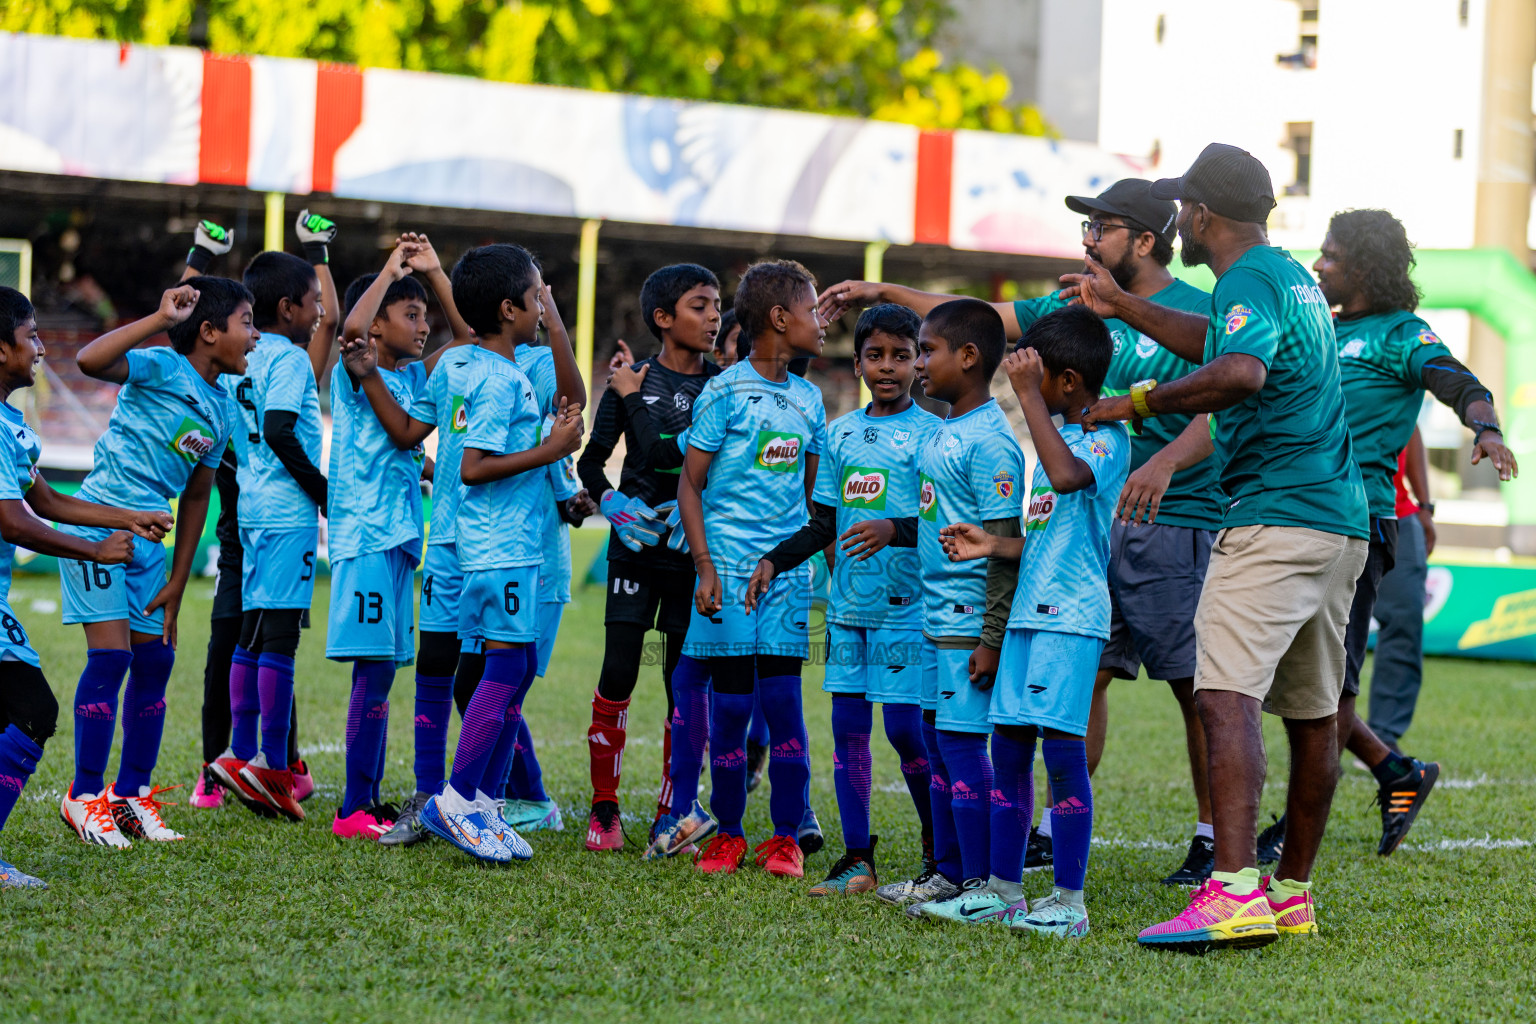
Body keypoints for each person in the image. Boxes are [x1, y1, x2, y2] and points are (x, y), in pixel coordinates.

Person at [818, 180, 1220, 884]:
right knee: (1088, 678)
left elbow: (1225, 397)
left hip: (1173, 512)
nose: (1089, 239)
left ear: (1146, 239)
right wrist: (877, 289)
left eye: (1103, 227)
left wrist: (1162, 459)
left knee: (1192, 682)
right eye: (1087, 226)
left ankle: (1212, 835)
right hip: (1073, 542)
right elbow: (973, 321)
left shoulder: (1197, 312)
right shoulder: (1070, 309)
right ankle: (1030, 842)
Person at [1071, 143, 1370, 951]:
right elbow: (1215, 338)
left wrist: (1133, 402)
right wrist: (1124, 306)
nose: (1179, 223)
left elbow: (1237, 372)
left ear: (1203, 216)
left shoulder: (1246, 278)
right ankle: (1292, 895)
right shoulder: (1287, 276)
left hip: (1273, 516)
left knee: (1222, 695)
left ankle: (1233, 889)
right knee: (1313, 715)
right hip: (1337, 523)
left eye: (1183, 210)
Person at [1253, 208, 1516, 860]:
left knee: (1320, 688)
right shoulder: (1321, 328)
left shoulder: (1403, 333)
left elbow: (1457, 381)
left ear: (1366, 267)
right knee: (1299, 681)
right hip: (1297, 515)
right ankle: (1395, 770)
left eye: (1333, 255)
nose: (1320, 265)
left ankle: (1299, 828)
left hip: (1359, 524)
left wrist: (1485, 426)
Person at [925, 306, 1127, 937]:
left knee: (1061, 757)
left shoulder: (1103, 439)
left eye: (1036, 374)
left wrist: (1028, 400)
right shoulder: (1049, 444)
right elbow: (1043, 538)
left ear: (1064, 381)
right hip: (1025, 618)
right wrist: (993, 545)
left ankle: (1069, 902)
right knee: (1008, 749)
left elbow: (1069, 480)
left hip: (1070, 620)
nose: (1022, 383)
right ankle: (1002, 890)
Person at [747, 303, 941, 895]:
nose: (888, 367)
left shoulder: (933, 437)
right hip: (849, 612)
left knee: (909, 732)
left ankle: (941, 855)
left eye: (901, 356)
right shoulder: (839, 435)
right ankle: (858, 859)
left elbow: (947, 522)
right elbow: (823, 523)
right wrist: (774, 560)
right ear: (856, 363)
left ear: (918, 363)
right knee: (848, 734)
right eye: (875, 355)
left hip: (909, 611)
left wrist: (894, 529)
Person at [59, 279, 254, 845]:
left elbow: (197, 496)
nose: (256, 336)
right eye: (247, 322)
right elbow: (91, 359)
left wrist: (177, 577)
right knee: (112, 660)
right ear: (211, 332)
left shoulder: (221, 409)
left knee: (155, 665)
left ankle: (131, 798)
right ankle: (84, 796)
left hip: (149, 544)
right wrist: (159, 317)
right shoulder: (162, 366)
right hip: (96, 525)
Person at [412, 243, 583, 863]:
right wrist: (552, 446)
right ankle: (455, 799)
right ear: (510, 308)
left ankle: (486, 803)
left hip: (488, 544)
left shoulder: (464, 365)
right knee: (505, 671)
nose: (544, 307)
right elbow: (478, 467)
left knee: (509, 669)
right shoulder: (500, 379)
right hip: (500, 545)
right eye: (538, 296)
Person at [862, 299, 1026, 913]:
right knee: (935, 743)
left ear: (969, 357)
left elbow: (1005, 548)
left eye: (926, 351)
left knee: (961, 748)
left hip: (967, 625)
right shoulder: (945, 433)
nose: (919, 363)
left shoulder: (990, 443)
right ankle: (949, 875)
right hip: (933, 619)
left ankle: (987, 887)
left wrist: (991, 635)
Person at [0, 287, 169, 882]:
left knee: (26, 708)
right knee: (32, 709)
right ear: (1, 350)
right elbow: (13, 520)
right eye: (31, 337)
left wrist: (124, 519)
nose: (42, 348)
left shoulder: (10, 424)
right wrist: (96, 549)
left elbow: (44, 500)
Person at [670, 259, 827, 878]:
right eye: (812, 310)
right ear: (780, 320)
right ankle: (730, 833)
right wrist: (705, 567)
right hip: (728, 577)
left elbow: (815, 505)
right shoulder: (723, 392)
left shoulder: (811, 399)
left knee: (785, 704)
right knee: (731, 709)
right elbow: (690, 484)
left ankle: (786, 835)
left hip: (785, 579)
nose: (821, 322)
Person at [576, 263, 722, 852]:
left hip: (692, 551)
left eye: (717, 305)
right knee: (619, 670)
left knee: (681, 682)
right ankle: (604, 812)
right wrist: (612, 504)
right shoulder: (630, 378)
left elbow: (673, 457)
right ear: (664, 319)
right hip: (636, 552)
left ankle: (673, 810)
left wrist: (698, 522)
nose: (714, 316)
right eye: (700, 305)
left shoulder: (721, 388)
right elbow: (591, 462)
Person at [205, 219, 339, 821]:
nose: (318, 313)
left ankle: (240, 752)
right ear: (287, 309)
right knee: (280, 639)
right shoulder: (283, 359)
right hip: (285, 515)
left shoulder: (247, 359)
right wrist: (323, 492)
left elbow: (240, 444)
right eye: (313, 302)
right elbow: (283, 429)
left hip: (254, 512)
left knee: (254, 635)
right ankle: (275, 771)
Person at [325, 239, 442, 840]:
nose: (423, 326)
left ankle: (367, 797)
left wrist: (433, 275)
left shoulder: (418, 376)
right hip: (366, 535)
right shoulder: (355, 366)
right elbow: (350, 325)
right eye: (411, 314)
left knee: (387, 670)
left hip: (400, 538)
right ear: (376, 325)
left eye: (424, 314)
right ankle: (352, 808)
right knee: (371, 672)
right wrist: (391, 269)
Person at [1368, 434, 1435, 750]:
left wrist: (1424, 504)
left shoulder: (1405, 383)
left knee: (1406, 618)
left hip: (1399, 512)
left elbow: (1411, 429)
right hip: (1333, 507)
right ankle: (1325, 741)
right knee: (1330, 630)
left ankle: (1383, 736)